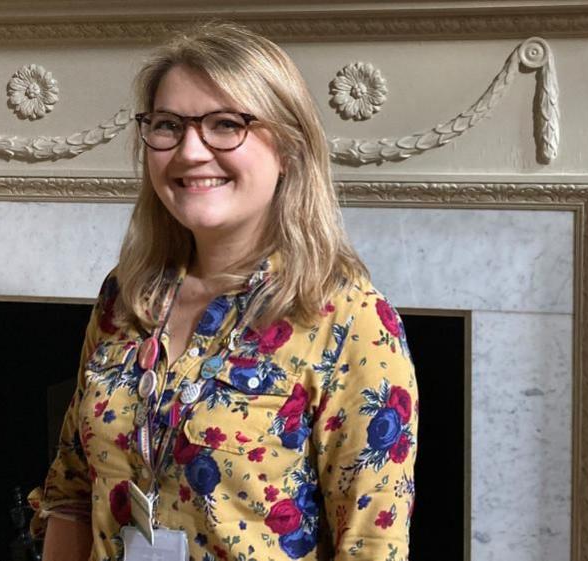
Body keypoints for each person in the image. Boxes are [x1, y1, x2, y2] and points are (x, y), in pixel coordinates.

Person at [28, 22, 417, 561]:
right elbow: (70, 489)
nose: (190, 151)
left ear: (288, 147)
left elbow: (371, 547)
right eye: (168, 125)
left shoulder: (351, 322)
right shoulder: (126, 297)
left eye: (225, 124)